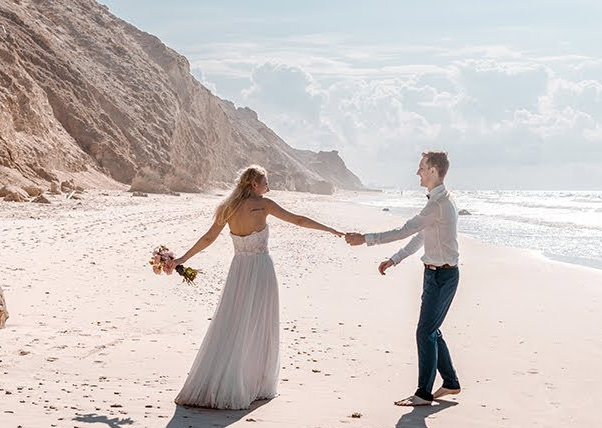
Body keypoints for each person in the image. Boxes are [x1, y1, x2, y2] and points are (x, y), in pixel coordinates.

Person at [170, 165, 342, 409]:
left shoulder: (226, 208)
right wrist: (331, 229)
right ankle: (251, 383)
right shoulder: (264, 205)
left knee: (233, 322)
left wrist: (182, 259)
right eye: (265, 182)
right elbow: (299, 220)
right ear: (254, 184)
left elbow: (208, 238)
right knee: (259, 323)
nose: (268, 187)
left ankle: (228, 379)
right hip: (261, 270)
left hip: (238, 270)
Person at [346, 151, 461, 407]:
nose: (417, 172)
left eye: (421, 167)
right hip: (434, 274)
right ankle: (451, 382)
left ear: (433, 170)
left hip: (443, 275)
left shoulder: (439, 204)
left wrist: (366, 239)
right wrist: (395, 259)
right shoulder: (438, 202)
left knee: (425, 332)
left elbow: (405, 230)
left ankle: (423, 393)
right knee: (432, 331)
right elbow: (420, 236)